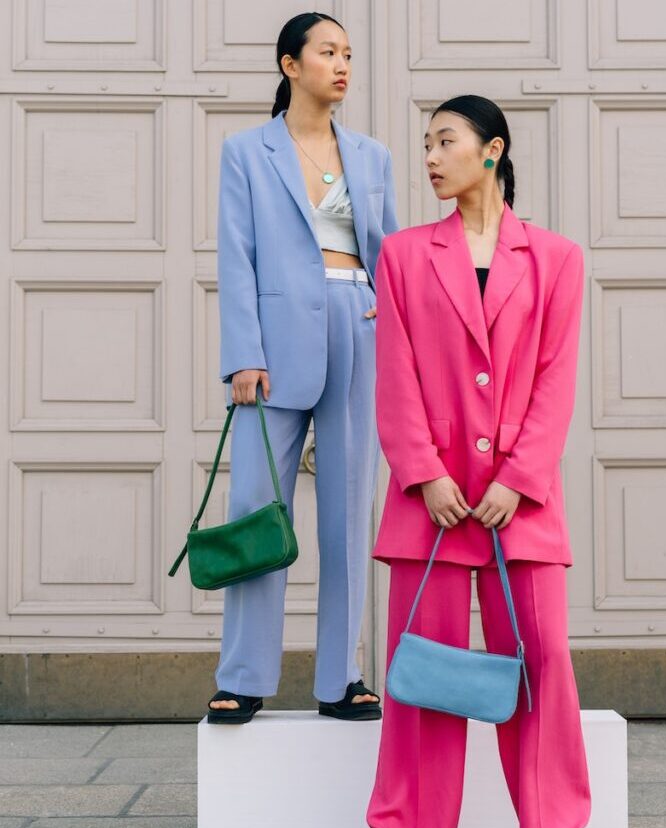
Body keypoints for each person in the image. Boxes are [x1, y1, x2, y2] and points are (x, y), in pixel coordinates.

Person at [336, 96, 614, 828]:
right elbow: (394, 373)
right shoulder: (402, 255)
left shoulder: (556, 257)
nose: (428, 156)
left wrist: (519, 480)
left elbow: (556, 380)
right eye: (424, 143)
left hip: (518, 506)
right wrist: (424, 472)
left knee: (542, 669)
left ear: (490, 151)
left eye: (444, 141)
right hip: (433, 500)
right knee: (418, 676)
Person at [208, 12, 398, 725]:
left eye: (348, 53)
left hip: (357, 326)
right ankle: (243, 675)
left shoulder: (370, 156)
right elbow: (236, 256)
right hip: (273, 346)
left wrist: (395, 325)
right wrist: (242, 357)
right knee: (259, 510)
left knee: (350, 516)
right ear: (290, 64)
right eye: (327, 52)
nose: (342, 64)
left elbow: (389, 253)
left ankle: (339, 678)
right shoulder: (246, 151)